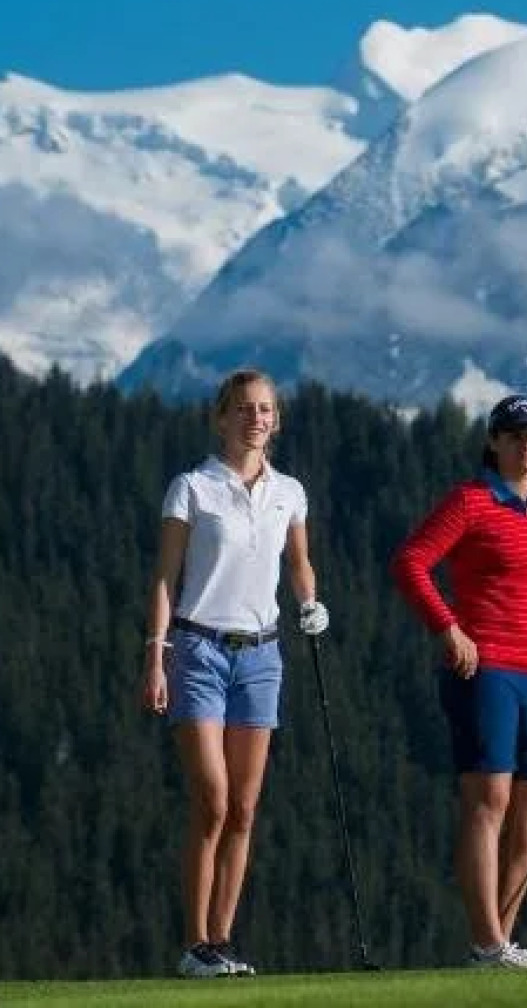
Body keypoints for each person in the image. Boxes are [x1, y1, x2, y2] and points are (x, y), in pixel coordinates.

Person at [390, 393, 527, 969]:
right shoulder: (470, 501)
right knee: (489, 803)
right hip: (484, 669)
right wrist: (448, 628)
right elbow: (411, 562)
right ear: (494, 442)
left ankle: (498, 944)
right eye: (516, 435)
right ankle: (488, 941)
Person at [141, 368, 331, 978]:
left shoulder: (290, 492)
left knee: (245, 808)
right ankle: (194, 943)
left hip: (263, 656)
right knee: (213, 801)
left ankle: (221, 941)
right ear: (221, 418)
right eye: (244, 409)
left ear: (276, 420)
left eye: (266, 410)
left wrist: (310, 603)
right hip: (197, 651)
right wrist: (156, 653)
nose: (256, 418)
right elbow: (166, 578)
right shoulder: (192, 488)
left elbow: (299, 565)